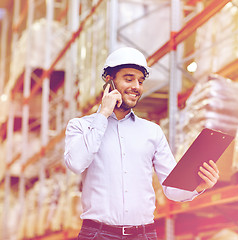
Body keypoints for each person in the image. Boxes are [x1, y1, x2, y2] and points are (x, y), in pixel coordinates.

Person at [64, 47, 220, 240]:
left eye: (140, 81)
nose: (136, 86)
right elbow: (76, 163)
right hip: (97, 234)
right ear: (109, 81)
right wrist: (103, 114)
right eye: (128, 79)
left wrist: (198, 185)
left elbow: (172, 189)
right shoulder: (81, 126)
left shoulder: (151, 131)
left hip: (143, 234)